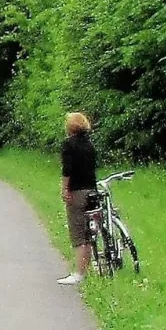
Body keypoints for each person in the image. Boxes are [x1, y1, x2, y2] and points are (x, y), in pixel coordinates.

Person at [57, 112, 97, 284]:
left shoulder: (69, 145)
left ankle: (79, 273)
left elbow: (68, 169)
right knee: (89, 233)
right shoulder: (90, 145)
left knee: (79, 234)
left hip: (77, 192)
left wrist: (65, 188)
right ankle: (87, 267)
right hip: (91, 190)